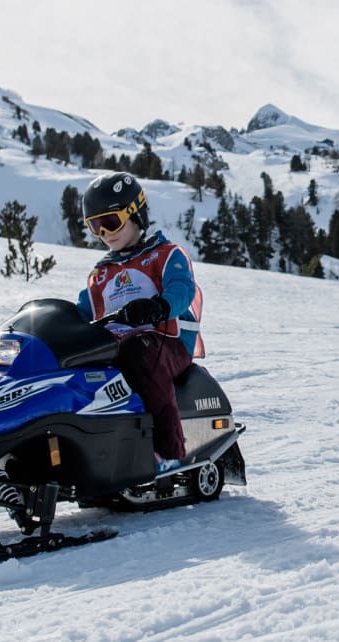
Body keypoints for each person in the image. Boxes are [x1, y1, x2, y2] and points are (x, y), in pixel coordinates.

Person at [73, 172, 205, 473]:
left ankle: (168, 451)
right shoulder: (101, 274)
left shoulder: (165, 255)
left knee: (140, 353)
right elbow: (82, 311)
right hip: (118, 347)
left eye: (111, 222)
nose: (105, 233)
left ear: (135, 213)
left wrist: (158, 306)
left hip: (166, 343)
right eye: (96, 226)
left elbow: (183, 289)